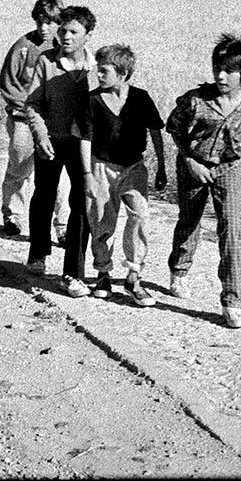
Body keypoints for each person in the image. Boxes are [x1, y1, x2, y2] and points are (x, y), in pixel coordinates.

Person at [165, 33, 241, 329]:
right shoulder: (195, 100)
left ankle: (232, 301)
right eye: (217, 68)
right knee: (190, 220)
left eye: (229, 71)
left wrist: (230, 163)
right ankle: (179, 271)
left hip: (229, 169)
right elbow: (174, 128)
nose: (220, 76)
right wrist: (191, 161)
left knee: (231, 229)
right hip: (193, 165)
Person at [79, 40, 167, 306]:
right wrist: (87, 176)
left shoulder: (140, 98)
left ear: (123, 74)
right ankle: (103, 274)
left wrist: (162, 166)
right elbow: (84, 139)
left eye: (105, 71)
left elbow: (155, 132)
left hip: (134, 168)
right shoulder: (91, 100)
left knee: (140, 216)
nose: (99, 75)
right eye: (98, 70)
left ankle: (134, 276)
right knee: (102, 220)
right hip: (101, 166)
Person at [25, 4, 95, 296]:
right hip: (51, 140)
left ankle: (73, 274)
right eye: (63, 30)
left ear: (88, 35)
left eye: (74, 32)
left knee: (81, 203)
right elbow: (32, 103)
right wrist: (40, 135)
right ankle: (38, 251)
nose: (65, 36)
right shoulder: (46, 61)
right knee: (44, 194)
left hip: (83, 147)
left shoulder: (97, 67)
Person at [0, 0, 63, 237]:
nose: (44, 28)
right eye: (40, 22)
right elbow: (8, 82)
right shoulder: (23, 46)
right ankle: (12, 215)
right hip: (23, 119)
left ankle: (62, 225)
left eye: (50, 22)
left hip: (54, 123)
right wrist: (26, 108)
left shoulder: (63, 46)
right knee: (19, 166)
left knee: (58, 175)